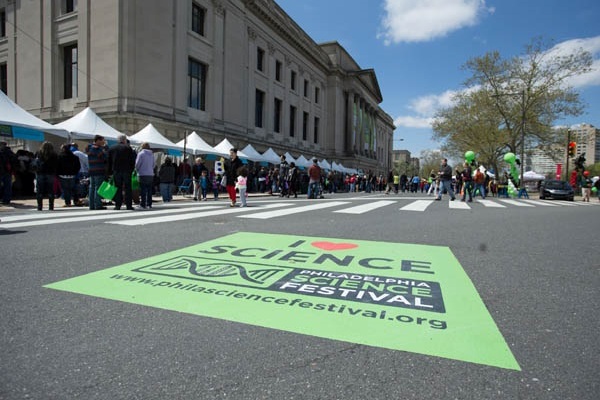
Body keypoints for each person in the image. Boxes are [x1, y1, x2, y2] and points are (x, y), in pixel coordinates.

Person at [107, 134, 136, 210]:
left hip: (116, 170)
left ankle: (118, 205)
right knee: (128, 188)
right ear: (124, 140)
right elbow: (132, 160)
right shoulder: (128, 148)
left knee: (117, 188)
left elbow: (109, 161)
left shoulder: (112, 148)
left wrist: (109, 172)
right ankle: (128, 205)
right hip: (126, 170)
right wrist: (131, 169)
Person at [33, 141, 58, 211]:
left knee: (39, 190)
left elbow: (34, 163)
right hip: (50, 173)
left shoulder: (38, 153)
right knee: (50, 190)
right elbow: (56, 164)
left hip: (40, 173)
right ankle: (51, 206)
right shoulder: (54, 154)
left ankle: (39, 206)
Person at [86, 135, 107, 210]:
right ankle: (98, 205)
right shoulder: (99, 149)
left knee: (91, 188)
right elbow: (105, 158)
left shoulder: (89, 148)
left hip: (91, 170)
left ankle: (91, 205)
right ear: (98, 140)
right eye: (102, 140)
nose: (103, 142)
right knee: (98, 188)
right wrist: (104, 150)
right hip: (99, 170)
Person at [135, 142, 155, 209]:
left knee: (143, 190)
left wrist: (137, 170)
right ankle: (149, 204)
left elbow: (137, 164)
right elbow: (153, 165)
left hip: (142, 174)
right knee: (149, 190)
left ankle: (143, 204)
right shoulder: (152, 154)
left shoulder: (141, 154)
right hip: (150, 174)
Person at [0, 141, 19, 205]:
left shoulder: (6, 152)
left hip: (5, 171)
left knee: (7, 186)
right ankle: (6, 200)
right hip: (8, 171)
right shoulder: (10, 152)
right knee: (8, 186)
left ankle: (6, 199)